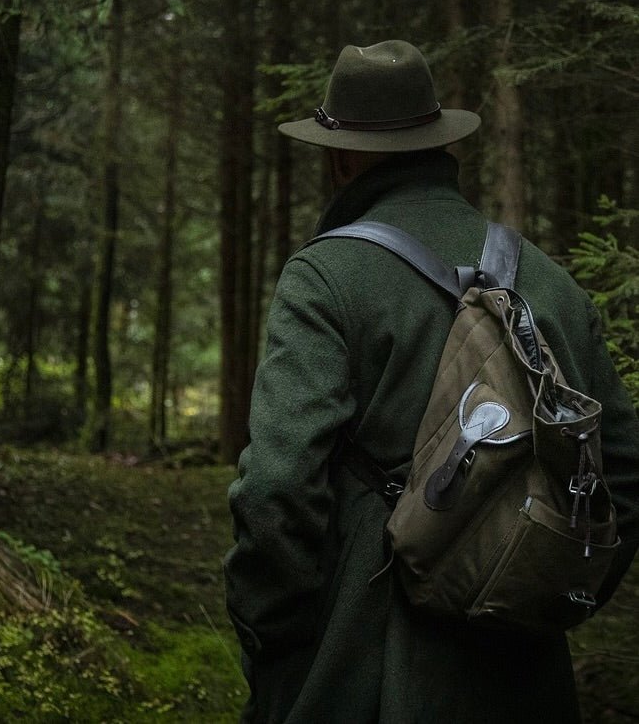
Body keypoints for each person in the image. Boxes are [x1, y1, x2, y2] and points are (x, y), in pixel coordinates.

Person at [223, 40, 639, 723]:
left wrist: (273, 632)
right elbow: (622, 468)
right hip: (526, 674)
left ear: (341, 157)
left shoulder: (324, 278)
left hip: (364, 658)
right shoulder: (550, 282)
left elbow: (276, 488)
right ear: (439, 143)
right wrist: (549, 587)